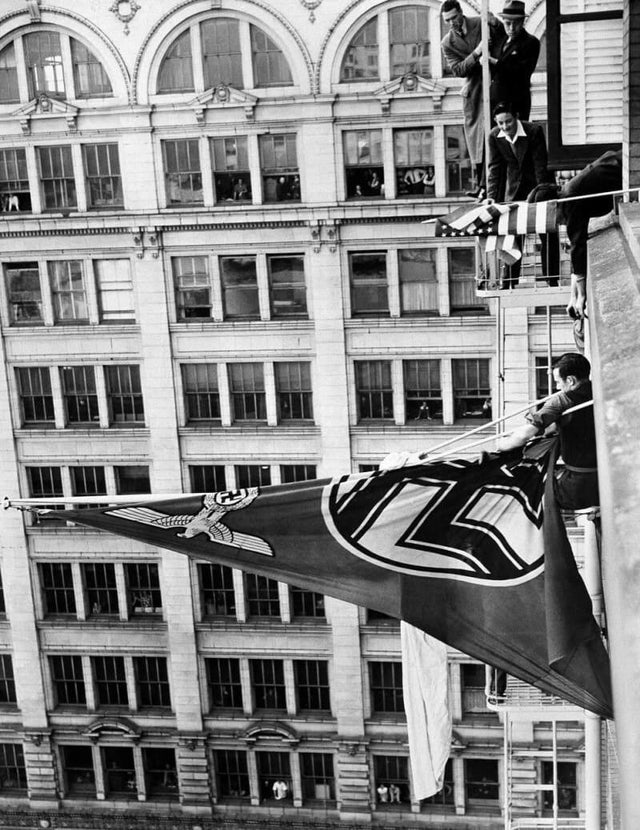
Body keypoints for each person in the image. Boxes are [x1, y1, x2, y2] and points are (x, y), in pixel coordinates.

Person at [496, 352, 598, 511]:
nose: (557, 387)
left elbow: (524, 435)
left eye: (558, 382)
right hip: (607, 481)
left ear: (570, 380)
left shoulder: (563, 400)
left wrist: (502, 444)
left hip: (576, 488)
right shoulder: (601, 392)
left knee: (529, 492)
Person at [528, 150, 622, 321]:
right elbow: (575, 255)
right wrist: (574, 297)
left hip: (625, 166)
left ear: (551, 206)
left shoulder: (569, 202)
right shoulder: (567, 194)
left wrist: (582, 297)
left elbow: (578, 246)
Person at [441, 0, 506, 199]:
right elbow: (458, 69)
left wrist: (495, 23)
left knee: (496, 132)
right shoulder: (447, 42)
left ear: (461, 13)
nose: (452, 23)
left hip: (495, 84)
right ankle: (481, 184)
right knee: (477, 140)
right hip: (474, 94)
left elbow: (502, 38)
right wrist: (477, 52)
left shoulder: (481, 22)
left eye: (454, 17)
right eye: (447, 20)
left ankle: (494, 183)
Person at [487, 101, 549, 286]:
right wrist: (492, 195)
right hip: (513, 192)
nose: (505, 127)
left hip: (537, 188)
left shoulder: (534, 131)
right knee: (513, 237)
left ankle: (551, 277)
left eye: (508, 122)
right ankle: (510, 279)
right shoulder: (494, 136)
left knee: (546, 233)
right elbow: (495, 169)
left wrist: (541, 194)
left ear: (516, 117)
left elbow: (540, 166)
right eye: (501, 123)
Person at [490, 0, 540, 121]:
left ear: (522, 22)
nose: (511, 28)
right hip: (495, 103)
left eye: (516, 23)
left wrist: (493, 62)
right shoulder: (499, 40)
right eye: (507, 23)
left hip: (516, 104)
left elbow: (521, 71)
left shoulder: (530, 42)